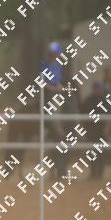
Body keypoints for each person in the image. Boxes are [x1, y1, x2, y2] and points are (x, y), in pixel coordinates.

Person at [41, 41, 67, 178]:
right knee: (53, 102)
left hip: (56, 91)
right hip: (48, 92)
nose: (53, 55)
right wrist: (51, 87)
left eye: (55, 53)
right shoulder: (44, 64)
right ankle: (54, 124)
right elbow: (41, 80)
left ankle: (64, 122)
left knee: (66, 100)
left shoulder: (58, 65)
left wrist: (59, 87)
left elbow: (60, 81)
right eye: (51, 53)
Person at [80, 81, 111, 179]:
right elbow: (82, 115)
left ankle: (100, 173)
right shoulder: (88, 100)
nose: (96, 90)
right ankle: (93, 173)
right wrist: (83, 129)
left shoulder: (105, 101)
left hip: (101, 131)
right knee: (91, 153)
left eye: (98, 88)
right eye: (94, 88)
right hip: (90, 131)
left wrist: (107, 128)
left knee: (101, 152)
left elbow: (110, 115)